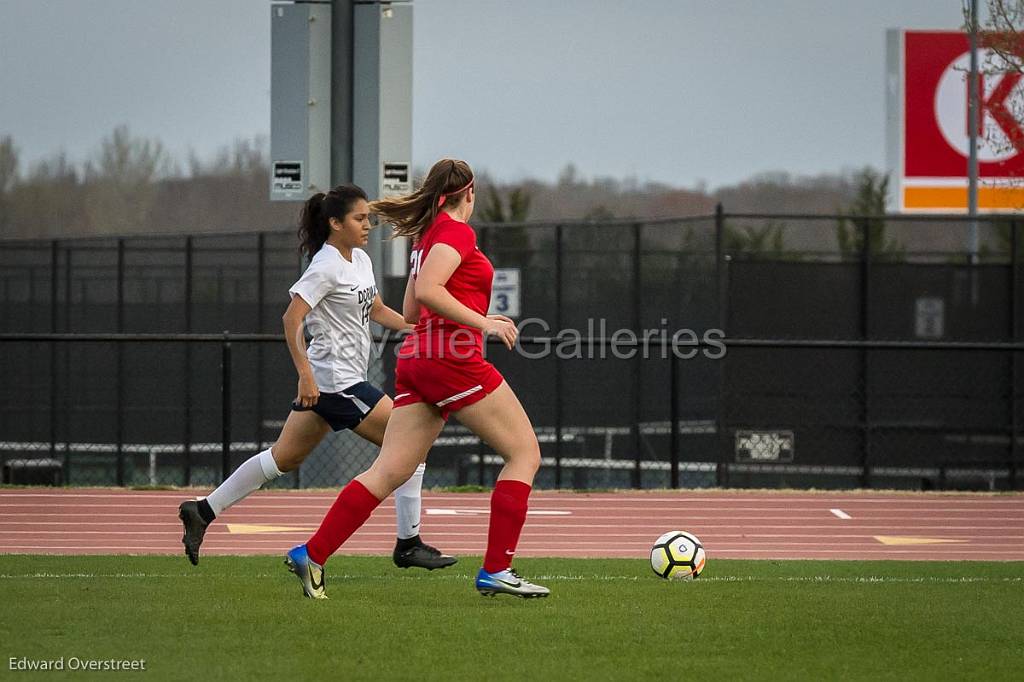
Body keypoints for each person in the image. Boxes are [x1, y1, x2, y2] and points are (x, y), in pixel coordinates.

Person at [284, 159, 548, 600]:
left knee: (389, 470)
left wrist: (464, 319)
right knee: (525, 454)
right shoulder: (456, 232)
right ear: (469, 191)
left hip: (419, 359)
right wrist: (483, 323)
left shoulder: (427, 238)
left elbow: (410, 312)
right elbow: (427, 293)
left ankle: (313, 552)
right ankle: (497, 569)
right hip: (453, 359)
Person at [178, 184, 455, 572]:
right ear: (334, 223)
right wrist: (305, 376)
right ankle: (408, 543)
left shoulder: (359, 260)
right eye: (359, 219)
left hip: (336, 383)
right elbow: (291, 318)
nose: (368, 225)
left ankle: (203, 510)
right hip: (336, 382)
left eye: (368, 218)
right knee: (411, 444)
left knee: (282, 459)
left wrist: (416, 328)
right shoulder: (324, 266)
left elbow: (374, 308)